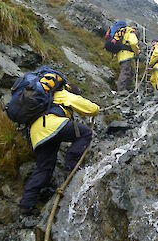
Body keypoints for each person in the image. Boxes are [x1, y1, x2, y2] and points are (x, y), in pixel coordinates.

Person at [19, 81, 100, 215]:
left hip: (37, 134)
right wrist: (97, 108)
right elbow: (90, 109)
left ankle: (27, 204)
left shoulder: (47, 98)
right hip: (52, 125)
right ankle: (72, 167)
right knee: (85, 133)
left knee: (44, 168)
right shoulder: (63, 94)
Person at [116, 26, 140, 92]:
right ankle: (121, 90)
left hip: (121, 55)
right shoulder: (131, 34)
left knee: (130, 72)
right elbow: (133, 43)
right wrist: (137, 52)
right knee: (125, 72)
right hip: (127, 55)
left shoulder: (125, 34)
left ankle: (126, 89)